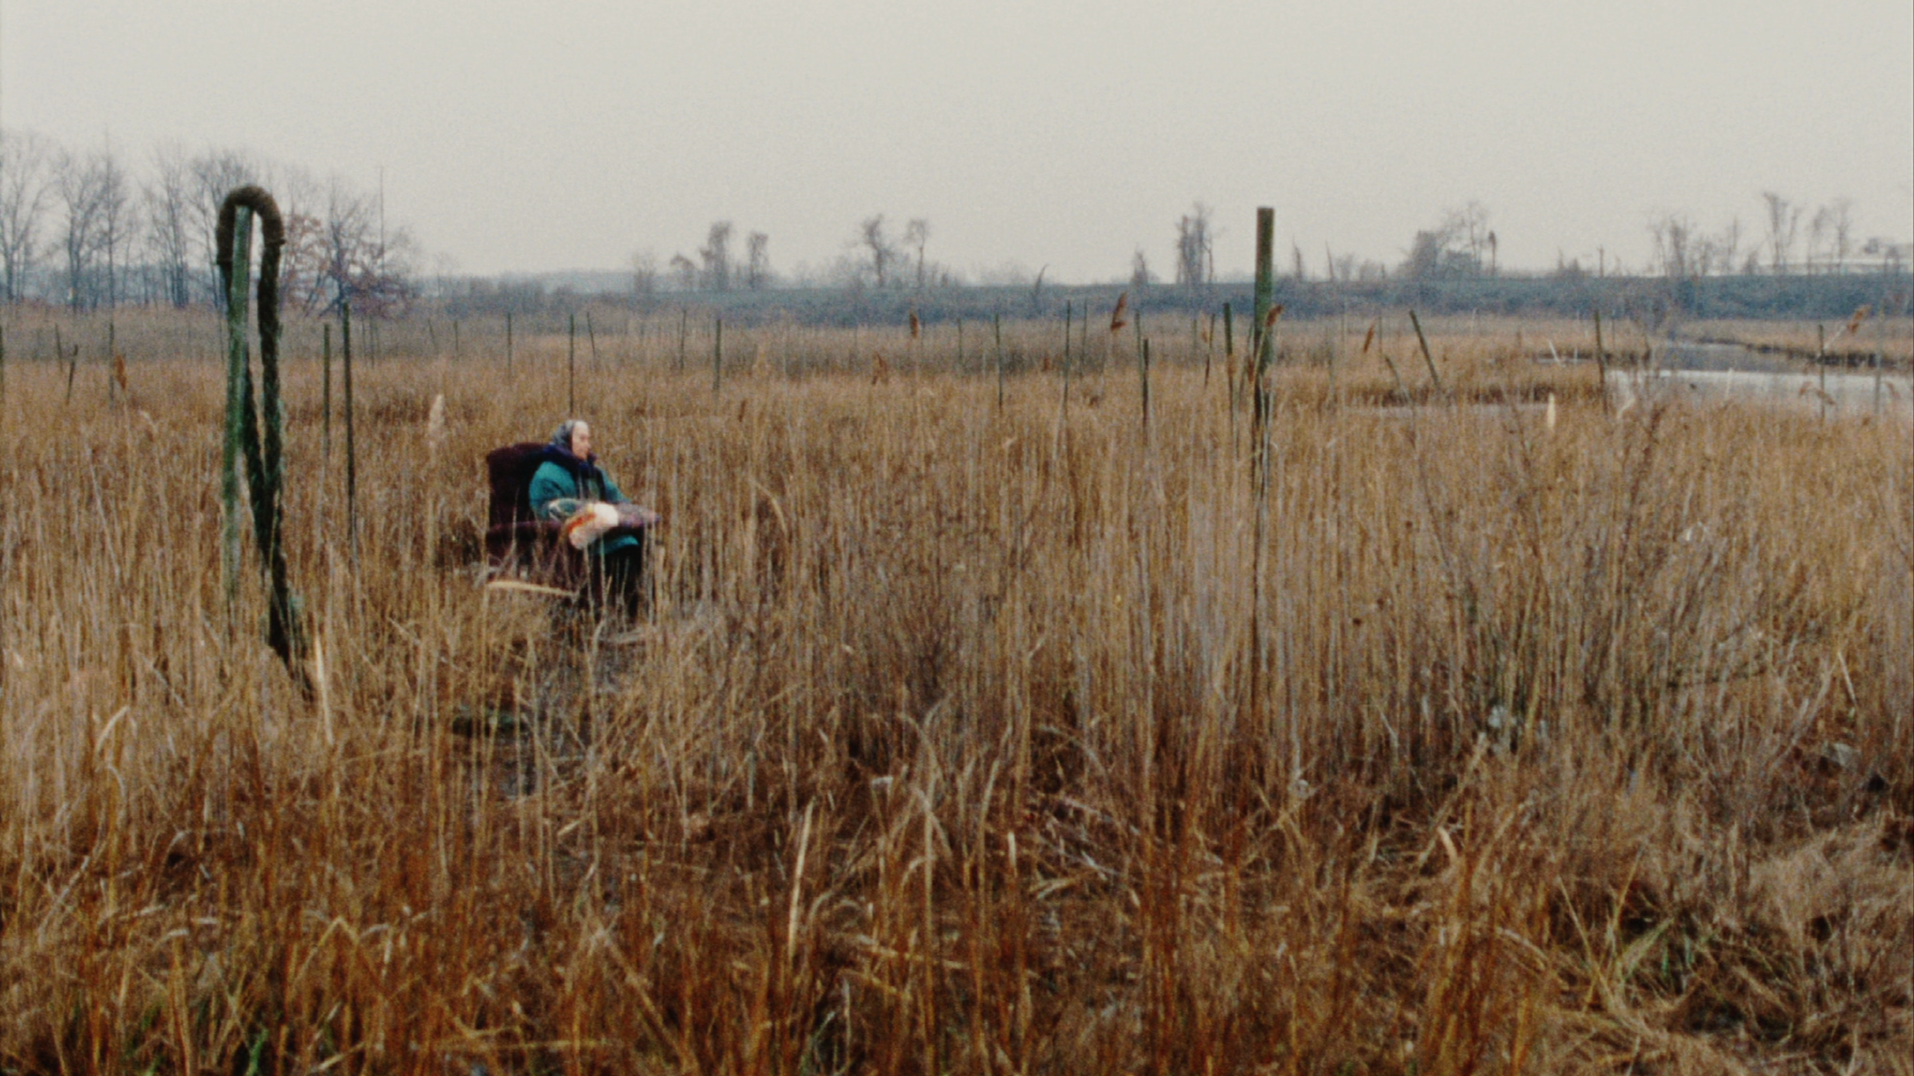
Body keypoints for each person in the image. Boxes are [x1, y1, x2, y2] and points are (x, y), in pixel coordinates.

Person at [529, 419, 654, 613]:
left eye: (588, 439)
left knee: (639, 542)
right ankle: (615, 610)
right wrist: (591, 512)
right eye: (582, 439)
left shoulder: (592, 472)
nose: (588, 444)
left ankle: (638, 608)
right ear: (566, 441)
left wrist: (628, 514)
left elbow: (619, 499)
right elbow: (547, 512)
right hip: (574, 538)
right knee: (625, 549)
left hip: (602, 530)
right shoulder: (547, 475)